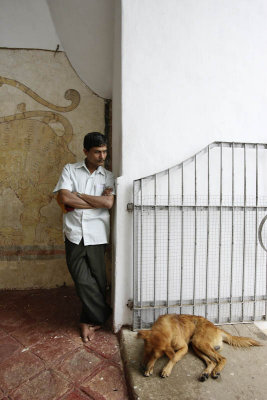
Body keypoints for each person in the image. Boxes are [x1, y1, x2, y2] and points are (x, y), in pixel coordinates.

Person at [53, 132, 115, 342]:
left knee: (98, 281)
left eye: (104, 151)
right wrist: (95, 201)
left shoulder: (108, 176)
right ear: (85, 151)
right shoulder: (70, 170)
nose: (102, 156)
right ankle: (101, 315)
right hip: (74, 234)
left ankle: (87, 320)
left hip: (97, 235)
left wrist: (77, 195)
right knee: (81, 279)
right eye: (97, 152)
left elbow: (108, 204)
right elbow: (63, 197)